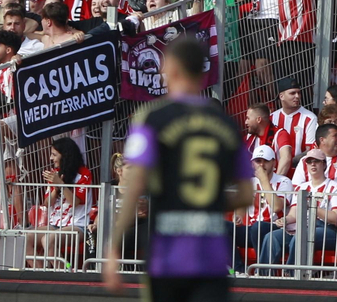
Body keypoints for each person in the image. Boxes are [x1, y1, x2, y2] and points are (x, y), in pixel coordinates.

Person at [102, 34, 254, 296]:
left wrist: (114, 247)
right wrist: (208, 201)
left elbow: (133, 185)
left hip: (167, 258)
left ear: (171, 67)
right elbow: (245, 195)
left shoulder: (152, 118)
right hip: (211, 260)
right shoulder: (227, 124)